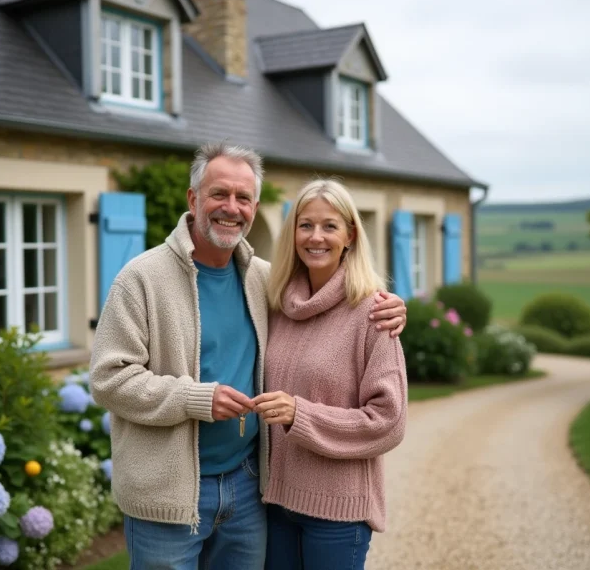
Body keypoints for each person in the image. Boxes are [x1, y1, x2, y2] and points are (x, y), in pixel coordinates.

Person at [89, 142, 407, 570]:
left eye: (243, 197)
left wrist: (391, 307)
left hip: (248, 489)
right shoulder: (141, 279)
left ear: (255, 207)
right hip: (170, 494)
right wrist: (196, 398)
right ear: (193, 198)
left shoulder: (263, 282)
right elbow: (109, 378)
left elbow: (337, 311)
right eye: (219, 194)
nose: (231, 207)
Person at [253, 178, 409, 570]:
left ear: (350, 235)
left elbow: (388, 422)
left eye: (329, 226)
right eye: (305, 225)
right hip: (275, 503)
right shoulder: (277, 306)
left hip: (337, 511)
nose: (315, 237)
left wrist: (299, 414)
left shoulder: (373, 313)